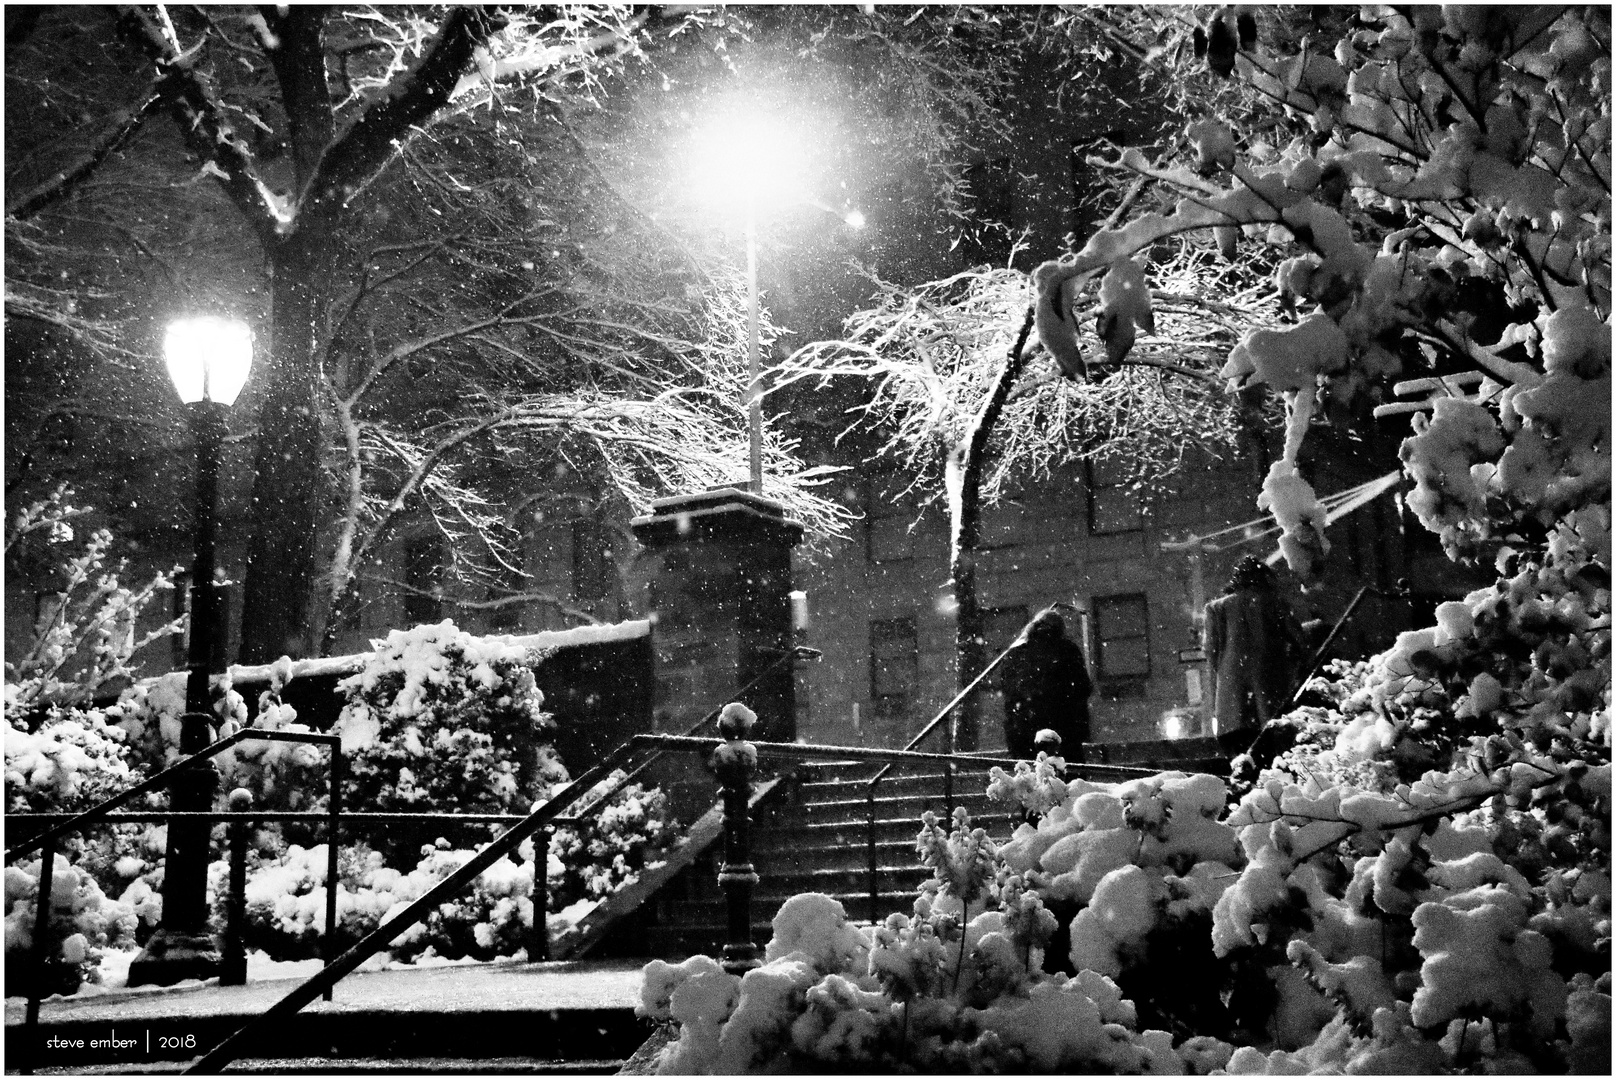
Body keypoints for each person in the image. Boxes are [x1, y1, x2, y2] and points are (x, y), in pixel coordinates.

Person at [1202, 556, 1303, 735]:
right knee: (1274, 737)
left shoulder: (1216, 609)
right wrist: (1291, 663)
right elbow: (1299, 639)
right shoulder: (1274, 602)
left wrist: (1227, 670)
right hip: (1270, 680)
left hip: (1231, 690)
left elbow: (1210, 649)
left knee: (1239, 742)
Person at [998, 608, 1092, 760]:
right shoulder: (1067, 650)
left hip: (1023, 730)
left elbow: (1008, 691)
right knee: (1067, 777)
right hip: (1064, 728)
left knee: (1029, 777)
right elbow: (1083, 687)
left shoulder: (1015, 654)